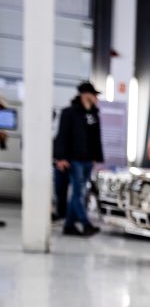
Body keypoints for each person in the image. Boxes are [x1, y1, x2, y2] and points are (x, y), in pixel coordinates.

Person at [53, 81, 104, 236]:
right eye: (94, 94)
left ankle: (69, 226)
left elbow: (96, 138)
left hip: (88, 160)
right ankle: (85, 223)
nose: (96, 98)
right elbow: (62, 136)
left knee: (80, 192)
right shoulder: (69, 112)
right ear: (85, 95)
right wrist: (60, 157)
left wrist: (96, 157)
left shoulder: (94, 114)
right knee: (78, 193)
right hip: (74, 159)